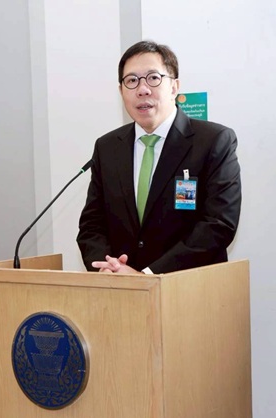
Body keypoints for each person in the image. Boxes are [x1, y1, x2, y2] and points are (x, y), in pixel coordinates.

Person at [77, 40, 241, 274]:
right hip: (119, 288)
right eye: (131, 81)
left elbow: (218, 225)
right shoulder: (107, 147)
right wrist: (108, 269)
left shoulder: (213, 141)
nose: (142, 89)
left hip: (189, 287)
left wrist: (148, 275)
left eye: (153, 78)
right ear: (121, 91)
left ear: (174, 87)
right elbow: (91, 226)